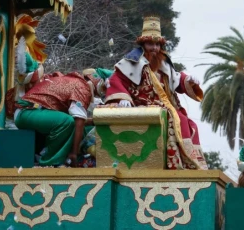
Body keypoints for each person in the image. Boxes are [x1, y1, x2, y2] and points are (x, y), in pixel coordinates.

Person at [105, 16, 207, 170]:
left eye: (157, 44)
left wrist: (189, 80)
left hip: (167, 105)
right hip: (144, 104)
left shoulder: (164, 63)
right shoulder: (130, 62)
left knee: (189, 123)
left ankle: (192, 163)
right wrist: (122, 97)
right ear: (143, 44)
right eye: (150, 44)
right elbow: (116, 80)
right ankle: (180, 164)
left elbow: (177, 79)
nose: (154, 48)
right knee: (177, 118)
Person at [14, 68, 112, 167]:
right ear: (98, 81)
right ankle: (50, 163)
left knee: (80, 127)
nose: (103, 93)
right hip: (26, 111)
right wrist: (74, 152)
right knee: (66, 121)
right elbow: (78, 121)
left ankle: (75, 157)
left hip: (35, 113)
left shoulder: (76, 82)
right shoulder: (82, 87)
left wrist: (91, 122)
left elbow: (79, 121)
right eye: (104, 89)